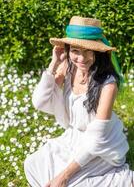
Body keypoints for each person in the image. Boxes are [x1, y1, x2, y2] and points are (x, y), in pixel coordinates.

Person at [24, 16, 134, 187]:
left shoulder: (108, 84)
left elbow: (96, 139)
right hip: (74, 138)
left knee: (68, 183)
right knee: (32, 164)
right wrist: (54, 63)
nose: (81, 59)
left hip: (100, 146)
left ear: (98, 52)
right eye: (75, 50)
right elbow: (39, 102)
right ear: (67, 50)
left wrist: (64, 175)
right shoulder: (67, 68)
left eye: (89, 51)